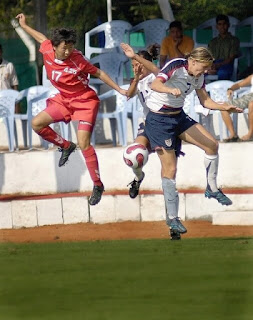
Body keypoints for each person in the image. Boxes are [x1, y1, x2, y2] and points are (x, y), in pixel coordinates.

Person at [15, 13, 127, 206]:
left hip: (85, 102)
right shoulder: (48, 49)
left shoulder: (78, 59)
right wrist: (24, 25)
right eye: (64, 47)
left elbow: (98, 72)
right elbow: (41, 38)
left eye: (71, 46)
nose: (68, 51)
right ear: (56, 46)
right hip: (64, 100)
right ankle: (66, 146)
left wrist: (120, 89)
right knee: (37, 123)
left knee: (84, 143)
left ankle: (98, 184)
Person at [139, 46, 242, 239]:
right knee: (170, 170)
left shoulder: (198, 76)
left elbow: (205, 102)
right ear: (193, 61)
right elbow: (156, 85)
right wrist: (170, 89)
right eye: (202, 67)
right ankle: (172, 220)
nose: (203, 72)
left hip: (179, 117)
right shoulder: (176, 65)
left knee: (212, 145)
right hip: (159, 120)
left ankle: (212, 188)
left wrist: (224, 107)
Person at [221, 74, 253, 142]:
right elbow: (239, 84)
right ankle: (233, 135)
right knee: (224, 106)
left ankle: (250, 134)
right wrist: (231, 89)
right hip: (249, 96)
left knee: (252, 104)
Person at [208, 14, 240, 80]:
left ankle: (223, 90)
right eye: (219, 24)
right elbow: (209, 58)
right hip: (214, 64)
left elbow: (231, 58)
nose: (222, 26)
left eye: (224, 24)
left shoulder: (233, 40)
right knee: (199, 72)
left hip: (227, 64)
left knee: (223, 73)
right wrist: (210, 67)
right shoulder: (213, 42)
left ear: (228, 25)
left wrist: (218, 65)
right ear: (216, 26)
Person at [0, 44, 20, 112]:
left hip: (8, 103)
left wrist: (17, 108)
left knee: (8, 122)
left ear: (1, 52)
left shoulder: (9, 66)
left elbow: (15, 86)